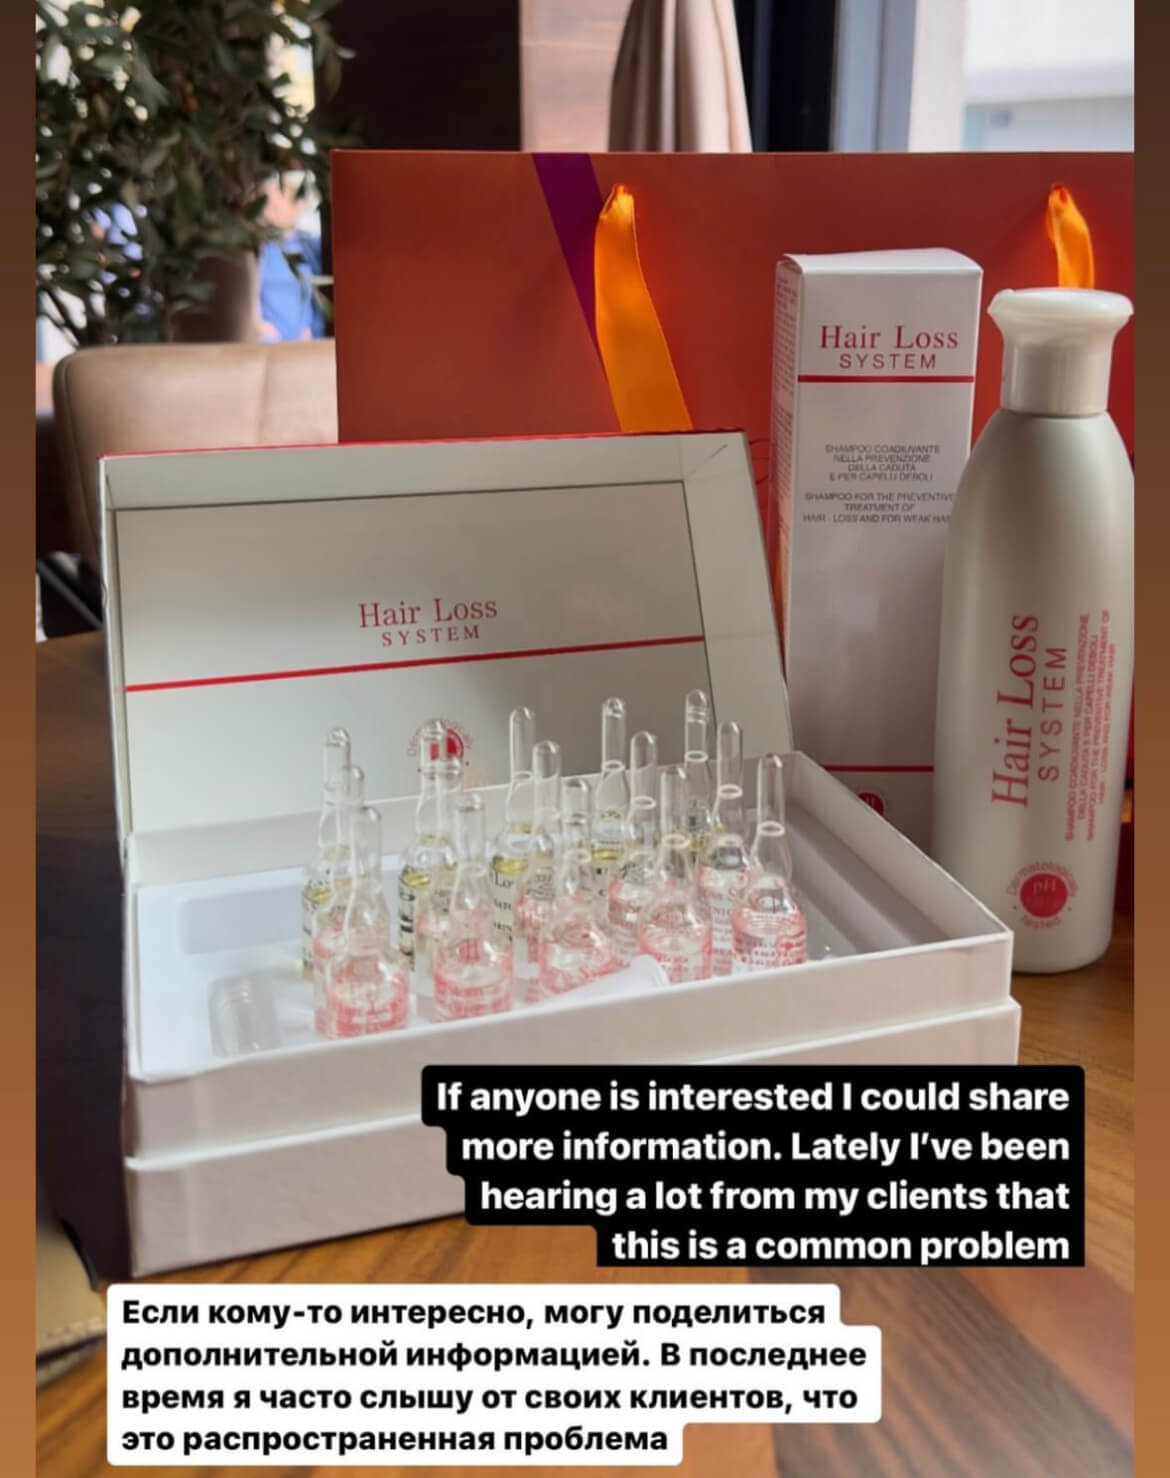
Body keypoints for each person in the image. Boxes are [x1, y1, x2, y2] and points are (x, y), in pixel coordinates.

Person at [258, 176, 326, 342]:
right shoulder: (260, 249)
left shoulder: (307, 245)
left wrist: (312, 329)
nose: (268, 214)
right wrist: (260, 327)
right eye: (265, 207)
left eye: (275, 208)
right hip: (269, 341)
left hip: (306, 342)